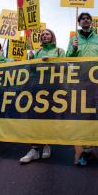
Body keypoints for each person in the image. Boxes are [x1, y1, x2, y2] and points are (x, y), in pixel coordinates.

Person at [66, 12, 98, 166]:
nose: (85, 20)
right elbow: (68, 59)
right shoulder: (73, 39)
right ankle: (86, 148)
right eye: (82, 18)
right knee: (84, 114)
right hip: (81, 81)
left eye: (88, 18)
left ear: (91, 22)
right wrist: (73, 49)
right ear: (79, 23)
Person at [19, 29, 65, 164]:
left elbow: (64, 66)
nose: (45, 36)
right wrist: (31, 59)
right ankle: (33, 149)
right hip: (36, 88)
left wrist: (50, 62)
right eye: (43, 34)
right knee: (33, 117)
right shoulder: (37, 52)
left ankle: (47, 145)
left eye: (47, 34)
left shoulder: (59, 51)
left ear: (52, 36)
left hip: (52, 88)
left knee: (48, 117)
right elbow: (31, 70)